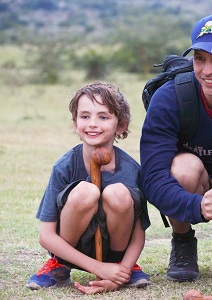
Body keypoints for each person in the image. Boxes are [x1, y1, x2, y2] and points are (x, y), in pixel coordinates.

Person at [140, 14, 212, 282]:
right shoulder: (170, 97)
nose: (207, 70)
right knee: (182, 168)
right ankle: (182, 239)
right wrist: (198, 206)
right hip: (198, 187)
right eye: (200, 58)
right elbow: (153, 178)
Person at [26, 81, 151, 294]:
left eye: (103, 117)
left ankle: (120, 265)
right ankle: (60, 265)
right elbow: (46, 235)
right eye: (85, 116)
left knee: (117, 192)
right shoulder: (64, 166)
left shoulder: (132, 170)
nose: (92, 124)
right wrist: (98, 268)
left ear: (120, 125)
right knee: (86, 191)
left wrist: (122, 270)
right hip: (70, 247)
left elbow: (138, 235)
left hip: (115, 250)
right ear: (75, 123)